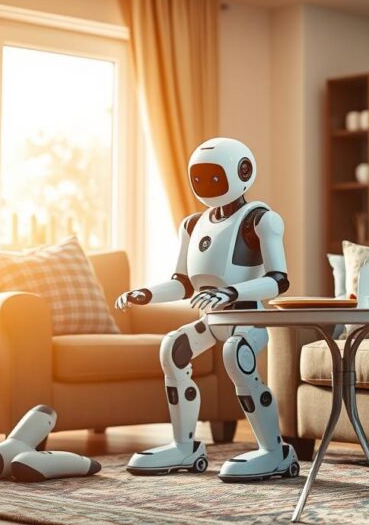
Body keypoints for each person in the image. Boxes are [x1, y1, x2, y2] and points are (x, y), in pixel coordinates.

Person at [115, 137, 300, 482]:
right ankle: (184, 447)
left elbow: (278, 281)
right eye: (199, 178)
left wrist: (230, 291)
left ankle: (274, 452)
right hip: (211, 319)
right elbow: (183, 283)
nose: (205, 185)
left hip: (247, 319)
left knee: (236, 356)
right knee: (173, 348)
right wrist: (145, 293)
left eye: (214, 177)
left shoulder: (259, 220)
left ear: (243, 172)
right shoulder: (191, 224)